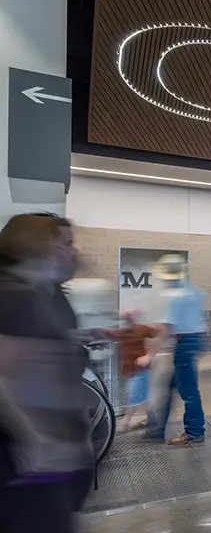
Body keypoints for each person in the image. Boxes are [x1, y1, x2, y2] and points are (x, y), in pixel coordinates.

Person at [0, 213, 94, 531]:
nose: (72, 251)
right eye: (64, 243)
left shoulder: (28, 291)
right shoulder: (16, 295)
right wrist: (37, 437)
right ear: (38, 245)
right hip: (31, 465)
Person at [144, 254, 208, 444]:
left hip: (184, 343)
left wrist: (149, 355)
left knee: (188, 391)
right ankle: (156, 429)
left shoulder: (176, 297)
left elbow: (166, 329)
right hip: (194, 341)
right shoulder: (196, 292)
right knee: (173, 386)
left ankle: (194, 431)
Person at [114, 309, 156, 431]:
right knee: (142, 395)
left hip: (140, 369)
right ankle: (152, 419)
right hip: (131, 370)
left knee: (135, 395)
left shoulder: (142, 329)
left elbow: (158, 337)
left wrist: (148, 356)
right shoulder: (123, 332)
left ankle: (125, 423)